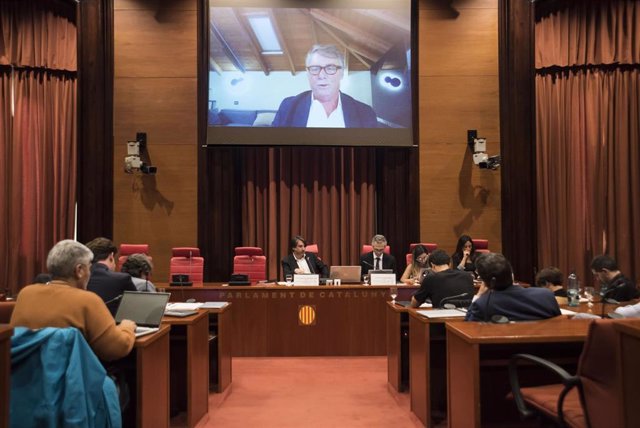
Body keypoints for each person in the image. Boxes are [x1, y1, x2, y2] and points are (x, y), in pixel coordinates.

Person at [10, 239, 136, 361]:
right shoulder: (88, 300)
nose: (90, 273)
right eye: (89, 268)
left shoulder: (26, 293)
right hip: (71, 378)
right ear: (79, 270)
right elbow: (116, 349)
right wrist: (126, 327)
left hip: (25, 375)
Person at [272, 44, 378, 128]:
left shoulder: (365, 113)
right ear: (308, 73)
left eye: (330, 68)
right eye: (315, 68)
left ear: (341, 73)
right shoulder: (288, 106)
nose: (321, 75)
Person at [465, 253, 561, 322]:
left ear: (488, 282)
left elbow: (469, 327)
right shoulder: (546, 295)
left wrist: (478, 295)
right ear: (511, 274)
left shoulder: (483, 304)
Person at [86, 237, 137, 316]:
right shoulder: (122, 279)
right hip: (113, 326)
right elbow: (138, 307)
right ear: (111, 256)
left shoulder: (79, 278)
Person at [410, 249, 475, 308]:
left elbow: (414, 304)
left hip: (440, 319)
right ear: (449, 264)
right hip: (465, 317)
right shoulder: (467, 276)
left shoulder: (431, 278)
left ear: (432, 265)